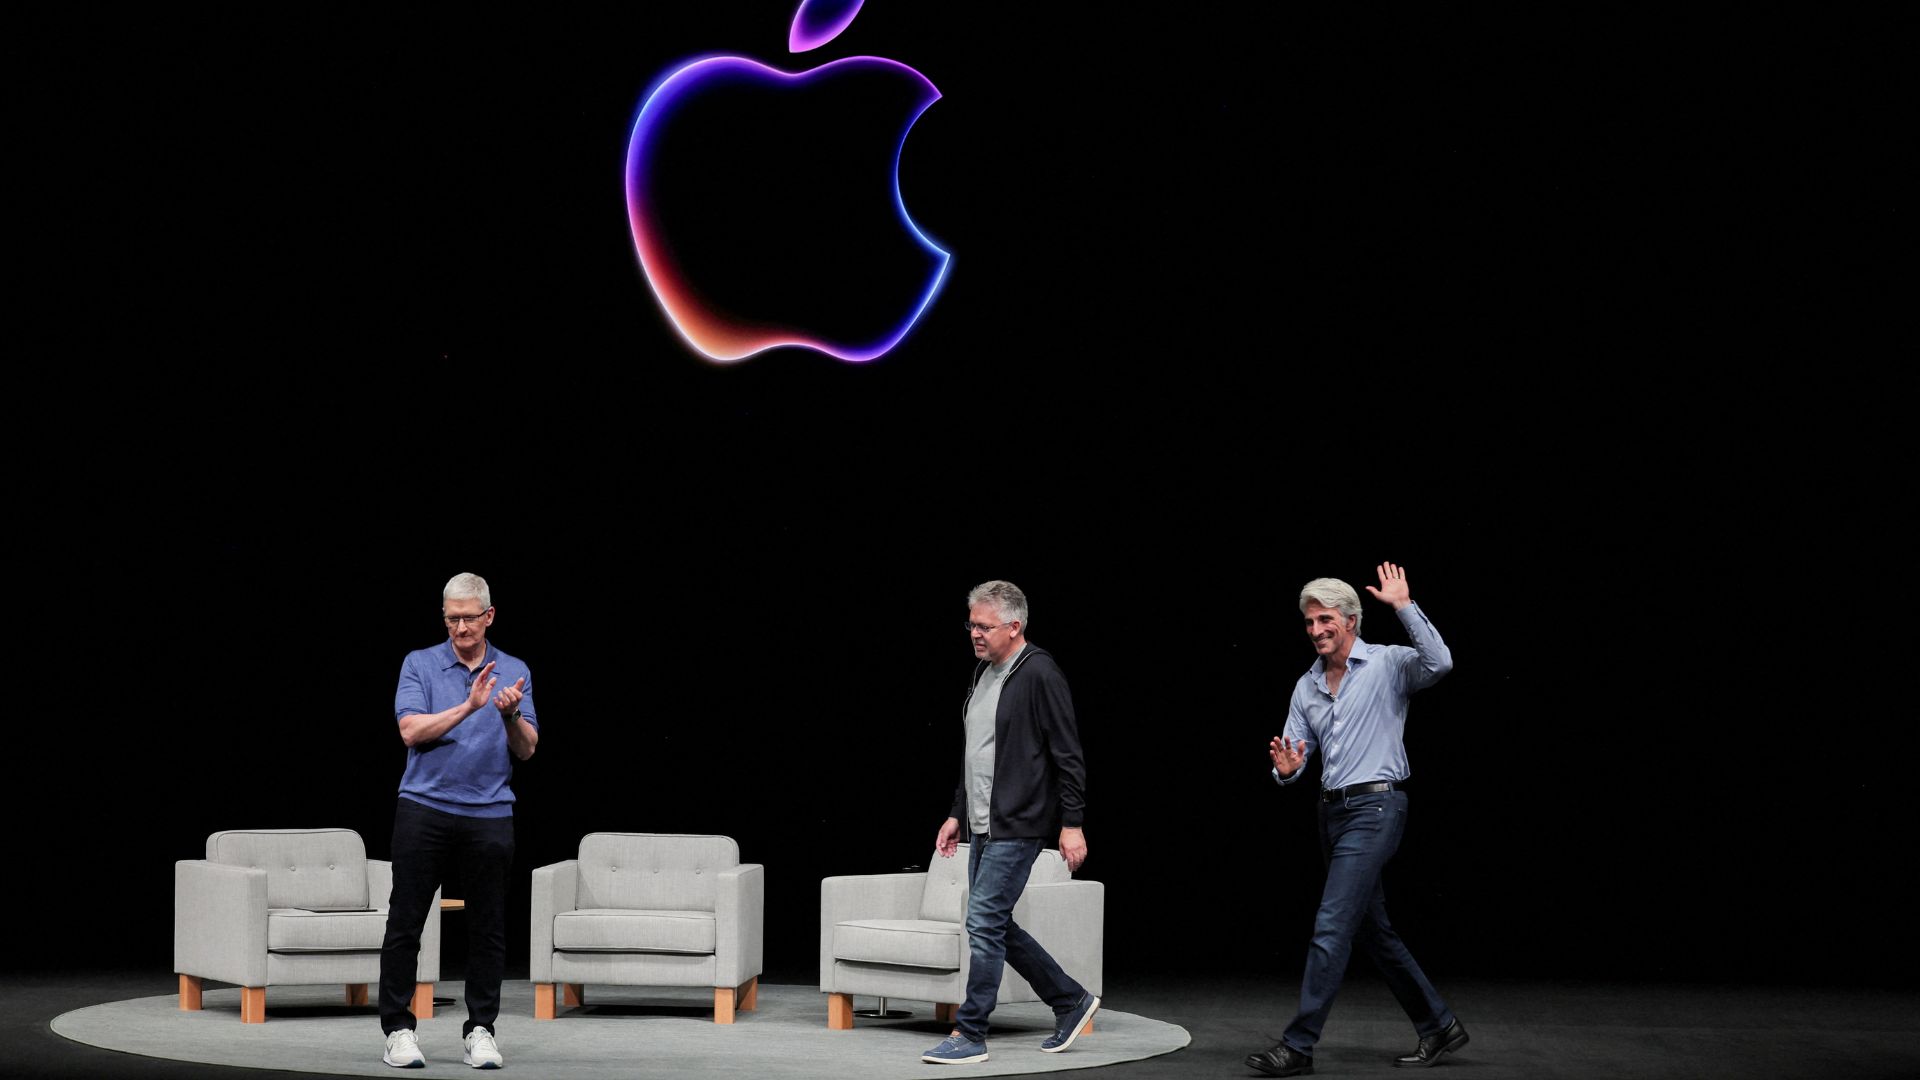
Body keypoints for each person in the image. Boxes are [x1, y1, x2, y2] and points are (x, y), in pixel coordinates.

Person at [1246, 562, 1467, 1077]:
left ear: (1350, 621)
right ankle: (1440, 1025)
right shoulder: (1307, 687)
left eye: (1325, 620)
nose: (1317, 631)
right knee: (1374, 931)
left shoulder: (1389, 664)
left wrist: (1404, 606)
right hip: (1333, 814)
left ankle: (1298, 1045)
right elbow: (1293, 757)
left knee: (1331, 925)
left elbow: (1441, 663)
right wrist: (1287, 770)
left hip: (1377, 808)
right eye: (1309, 623)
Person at [921, 580, 1101, 1066]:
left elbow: (1068, 754)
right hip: (982, 823)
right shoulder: (983, 673)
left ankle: (971, 1031)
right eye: (971, 624)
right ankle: (1070, 1000)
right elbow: (974, 753)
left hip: (1019, 823)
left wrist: (1073, 823)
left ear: (1014, 626)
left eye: (984, 626)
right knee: (992, 922)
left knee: (982, 920)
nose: (975, 634)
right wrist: (957, 813)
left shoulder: (1040, 674)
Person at [379, 572, 538, 1070]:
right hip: (424, 808)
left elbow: (528, 749)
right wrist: (469, 706)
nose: (461, 627)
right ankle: (399, 1030)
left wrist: (510, 716)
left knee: (488, 927)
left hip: (489, 812)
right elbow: (411, 731)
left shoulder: (513, 669)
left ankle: (482, 1030)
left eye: (470, 617)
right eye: (453, 618)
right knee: (406, 921)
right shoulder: (420, 664)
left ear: (489, 616)